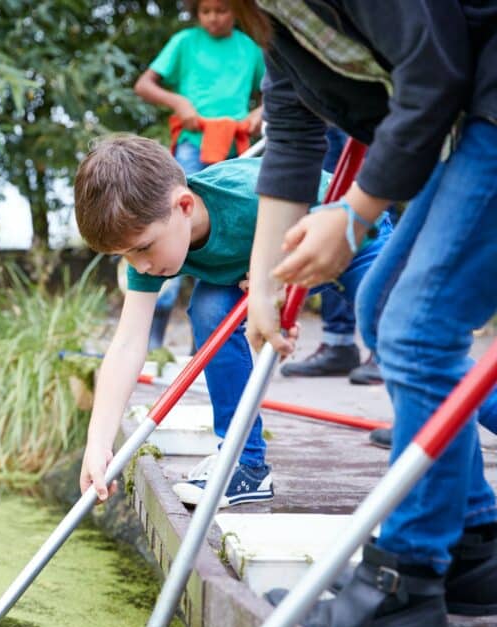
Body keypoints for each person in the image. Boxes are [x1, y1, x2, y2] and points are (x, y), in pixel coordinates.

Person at [235, 0, 497, 627]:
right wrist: (264, 283)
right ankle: (472, 542)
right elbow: (292, 131)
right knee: (386, 309)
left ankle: (402, 584)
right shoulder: (273, 14)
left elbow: (433, 71)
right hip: (473, 120)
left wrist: (352, 217)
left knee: (416, 328)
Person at [73, 134, 391, 508]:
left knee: (396, 334)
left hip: (349, 236)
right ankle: (244, 463)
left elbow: (321, 216)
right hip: (254, 272)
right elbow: (127, 344)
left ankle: (443, 425)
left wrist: (276, 281)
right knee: (209, 310)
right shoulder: (150, 242)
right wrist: (97, 443)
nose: (139, 266)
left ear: (185, 206)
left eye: (142, 248)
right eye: (124, 255)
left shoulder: (247, 198)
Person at [133, 0, 265, 350]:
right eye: (206, 11)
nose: (213, 18)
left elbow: (279, 90)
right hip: (193, 144)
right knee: (171, 229)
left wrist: (259, 113)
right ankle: (152, 339)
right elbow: (145, 85)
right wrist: (180, 104)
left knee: (226, 236)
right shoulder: (185, 42)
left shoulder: (249, 48)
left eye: (221, 10)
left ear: (236, 11)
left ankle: (204, 340)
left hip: (236, 151)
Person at [278, 126, 383, 383]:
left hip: (364, 103)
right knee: (327, 193)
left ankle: (388, 348)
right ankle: (339, 343)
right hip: (326, 111)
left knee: (356, 214)